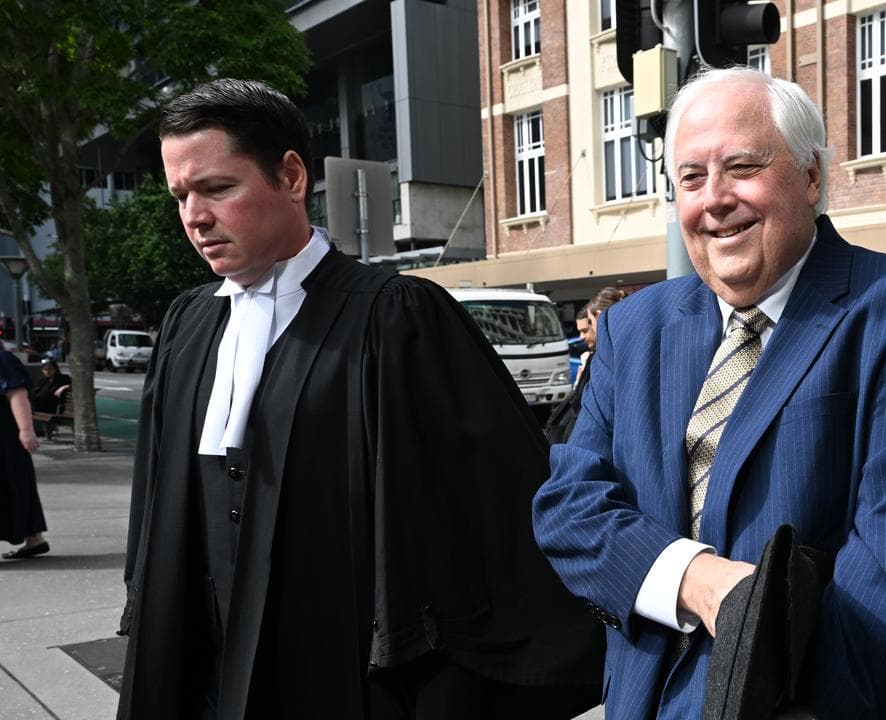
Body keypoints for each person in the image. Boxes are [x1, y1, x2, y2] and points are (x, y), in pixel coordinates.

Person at [116, 78, 602, 720]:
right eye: (181, 195)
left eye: (217, 188)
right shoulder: (187, 324)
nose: (194, 217)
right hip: (203, 669)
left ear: (291, 177)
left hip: (341, 676)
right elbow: (156, 505)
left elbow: (494, 507)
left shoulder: (397, 318)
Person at [532, 68, 886, 719]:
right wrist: (696, 581)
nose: (713, 198)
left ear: (811, 176)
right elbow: (569, 507)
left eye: (742, 166)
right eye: (691, 178)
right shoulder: (635, 329)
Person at [546, 287, 627, 443]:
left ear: (598, 316)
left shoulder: (604, 359)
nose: (582, 336)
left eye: (588, 324)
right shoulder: (626, 353)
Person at [1, 345, 50, 560]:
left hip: (5, 438)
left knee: (12, 484)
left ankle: (34, 537)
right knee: (18, 484)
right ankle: (34, 537)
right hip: (7, 439)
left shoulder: (3, 360)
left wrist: (26, 430)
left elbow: (17, 394)